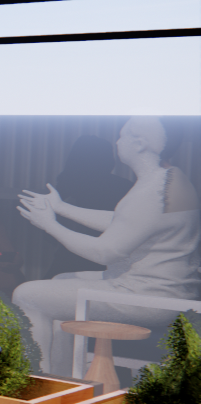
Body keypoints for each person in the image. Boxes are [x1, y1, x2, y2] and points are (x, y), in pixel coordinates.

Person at [14, 116, 201, 373]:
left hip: (148, 297)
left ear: (140, 143)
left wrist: (50, 224)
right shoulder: (169, 179)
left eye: (122, 136)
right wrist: (61, 208)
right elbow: (125, 222)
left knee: (26, 294)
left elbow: (105, 251)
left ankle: (40, 381)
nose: (117, 142)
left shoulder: (153, 191)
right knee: (60, 281)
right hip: (166, 291)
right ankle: (64, 376)